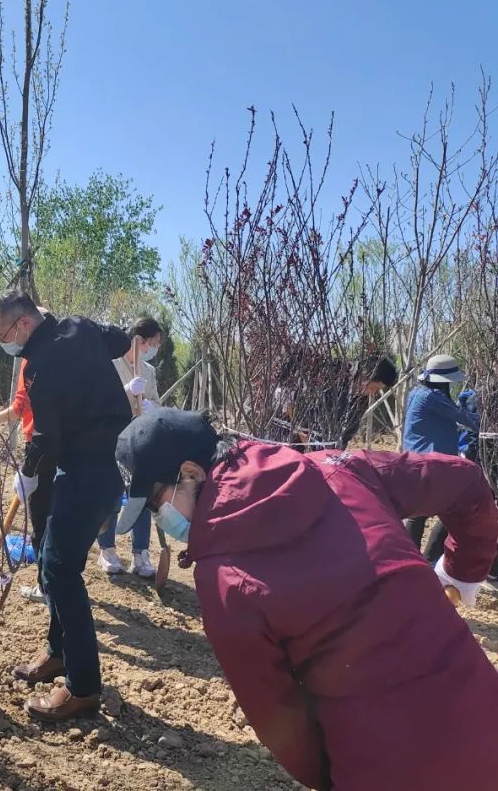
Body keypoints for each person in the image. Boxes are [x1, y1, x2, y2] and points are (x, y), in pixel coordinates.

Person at [117, 406, 498, 791]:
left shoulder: (225, 579)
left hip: (385, 767)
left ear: (192, 474)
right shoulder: (338, 468)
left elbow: (278, 716)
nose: (158, 517)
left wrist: (333, 777)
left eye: (155, 504)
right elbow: (464, 480)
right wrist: (463, 571)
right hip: (484, 720)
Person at [0, 291, 132, 722]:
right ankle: (59, 650)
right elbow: (122, 340)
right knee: (56, 555)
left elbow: (46, 439)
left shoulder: (41, 366)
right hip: (108, 464)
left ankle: (83, 688)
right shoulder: (82, 326)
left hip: (88, 470)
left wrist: (29, 472)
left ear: (24, 325)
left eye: (3, 335)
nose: (3, 344)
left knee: (57, 568)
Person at [0, 357, 54, 603]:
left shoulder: (34, 359)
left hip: (39, 447)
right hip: (67, 449)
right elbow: (23, 405)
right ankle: (58, 582)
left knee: (42, 518)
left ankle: (46, 586)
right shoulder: (65, 354)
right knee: (56, 518)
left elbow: (22, 407)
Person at [97, 316, 162, 577]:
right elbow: (100, 402)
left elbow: (156, 401)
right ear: (139, 340)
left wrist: (151, 406)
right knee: (111, 497)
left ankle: (141, 555)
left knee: (141, 497)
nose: (154, 348)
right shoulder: (110, 365)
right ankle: (107, 551)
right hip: (111, 440)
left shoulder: (148, 371)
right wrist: (125, 390)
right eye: (152, 343)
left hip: (139, 440)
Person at [402, 354, 480, 555]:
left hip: (418, 461)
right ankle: (427, 559)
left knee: (419, 513)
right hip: (432, 464)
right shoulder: (432, 397)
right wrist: (485, 417)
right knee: (451, 511)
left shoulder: (417, 393)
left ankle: (413, 559)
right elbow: (466, 419)